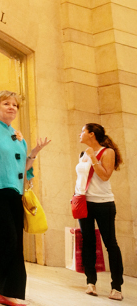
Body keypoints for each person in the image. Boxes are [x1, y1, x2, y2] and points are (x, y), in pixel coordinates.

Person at [0, 90, 51, 306]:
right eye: (6, 103)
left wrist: (34, 152)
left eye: (15, 105)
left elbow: (23, 167)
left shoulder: (16, 135)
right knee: (7, 238)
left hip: (14, 192)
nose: (12, 107)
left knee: (16, 243)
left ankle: (8, 292)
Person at [75, 123, 124, 301]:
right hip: (84, 204)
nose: (80, 134)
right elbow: (81, 178)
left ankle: (116, 286)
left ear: (92, 134)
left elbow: (104, 176)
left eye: (83, 131)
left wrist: (93, 158)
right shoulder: (83, 154)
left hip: (104, 203)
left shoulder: (106, 152)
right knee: (88, 242)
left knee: (110, 243)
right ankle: (91, 282)